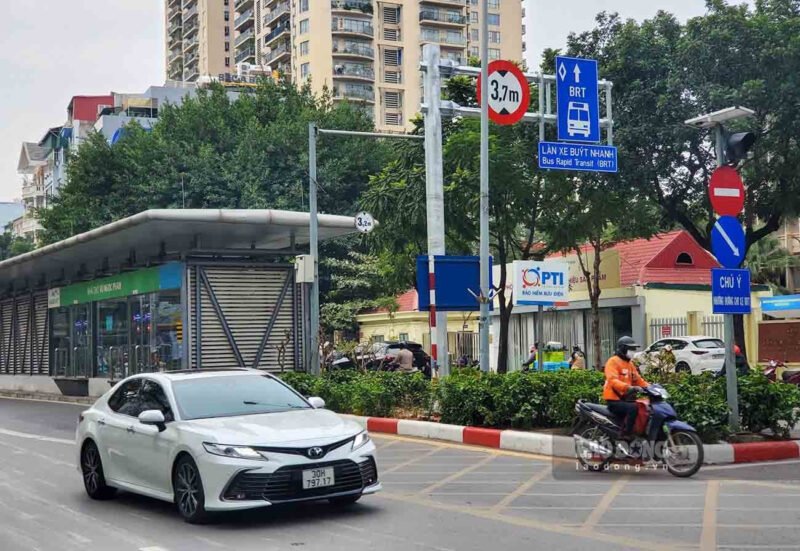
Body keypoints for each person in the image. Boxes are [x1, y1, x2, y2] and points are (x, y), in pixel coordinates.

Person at [603, 336, 649, 439]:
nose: (633, 352)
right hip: (614, 400)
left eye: (634, 349)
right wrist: (628, 387)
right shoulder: (613, 361)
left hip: (625, 398)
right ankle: (626, 435)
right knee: (633, 408)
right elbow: (612, 380)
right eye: (631, 349)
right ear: (623, 349)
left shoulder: (630, 364)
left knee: (643, 406)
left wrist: (652, 388)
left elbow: (638, 380)